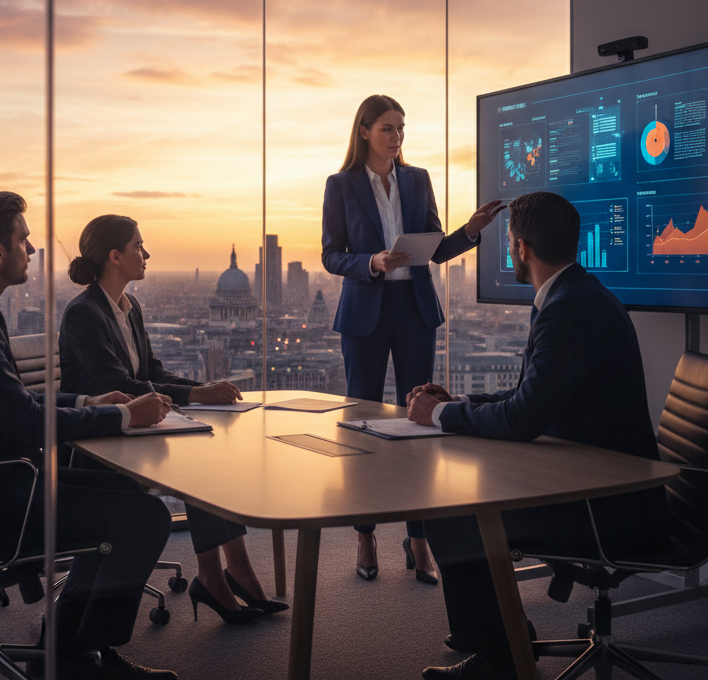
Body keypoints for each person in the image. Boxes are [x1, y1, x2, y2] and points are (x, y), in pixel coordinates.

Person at [0, 191, 178, 680]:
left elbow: (12, 406)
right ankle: (87, 659)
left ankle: (66, 647)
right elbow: (26, 424)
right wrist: (125, 418)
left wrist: (88, 403)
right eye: (23, 241)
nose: (31, 250)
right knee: (146, 518)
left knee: (120, 492)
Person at [407, 191, 668, 680]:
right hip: (595, 478)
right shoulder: (576, 294)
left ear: (521, 247)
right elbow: (535, 394)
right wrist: (457, 406)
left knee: (453, 514)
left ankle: (501, 660)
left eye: (508, 242)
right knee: (464, 504)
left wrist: (440, 417)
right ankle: (501, 639)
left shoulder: (568, 307)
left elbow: (525, 417)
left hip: (604, 503)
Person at [59, 214, 287, 624]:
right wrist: (193, 394)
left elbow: (155, 374)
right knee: (200, 460)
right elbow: (121, 384)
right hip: (101, 442)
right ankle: (219, 577)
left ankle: (228, 573)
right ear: (115, 256)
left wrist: (201, 390)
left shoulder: (130, 308)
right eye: (138, 247)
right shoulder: (83, 314)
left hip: (136, 430)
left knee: (211, 454)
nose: (147, 254)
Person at [321, 94, 502, 583]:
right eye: (387, 128)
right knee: (359, 419)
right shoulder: (340, 185)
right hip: (367, 309)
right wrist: (372, 263)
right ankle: (364, 535)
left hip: (415, 310)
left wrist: (470, 231)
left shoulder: (418, 180)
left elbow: (437, 248)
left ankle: (419, 539)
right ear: (363, 131)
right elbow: (331, 255)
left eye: (401, 128)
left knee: (422, 421)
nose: (397, 136)